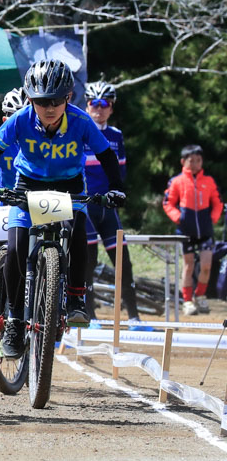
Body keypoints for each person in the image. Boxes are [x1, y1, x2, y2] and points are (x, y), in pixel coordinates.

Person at [0, 60, 126, 359]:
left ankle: (76, 299)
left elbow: (106, 156)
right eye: (40, 101)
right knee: (15, 246)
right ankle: (13, 320)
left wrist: (116, 188)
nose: (48, 108)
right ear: (31, 100)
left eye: (55, 101)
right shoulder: (21, 119)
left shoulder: (82, 121)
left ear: (68, 98)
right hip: (29, 184)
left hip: (69, 185)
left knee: (77, 234)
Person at [81, 81, 141, 321]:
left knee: (123, 262)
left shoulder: (116, 135)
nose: (99, 108)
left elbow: (121, 172)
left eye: (104, 103)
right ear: (86, 105)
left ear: (112, 108)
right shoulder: (79, 129)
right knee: (87, 262)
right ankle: (89, 315)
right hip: (85, 207)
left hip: (108, 208)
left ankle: (134, 317)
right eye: (94, 103)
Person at [163, 144, 221, 316]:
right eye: (191, 161)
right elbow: (168, 203)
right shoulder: (177, 181)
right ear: (183, 161)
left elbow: (217, 202)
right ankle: (187, 301)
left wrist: (213, 219)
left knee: (206, 265)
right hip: (185, 230)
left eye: (198, 160)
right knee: (188, 266)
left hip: (204, 230)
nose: (195, 164)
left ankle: (200, 295)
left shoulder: (209, 181)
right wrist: (178, 218)